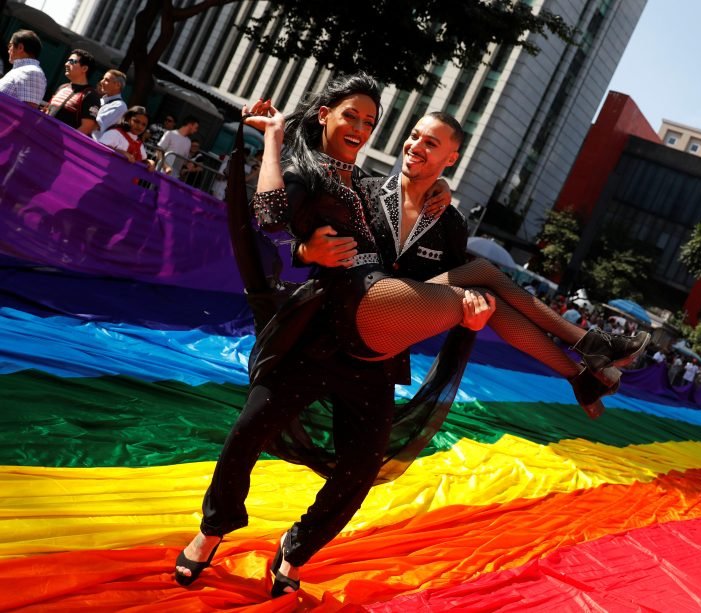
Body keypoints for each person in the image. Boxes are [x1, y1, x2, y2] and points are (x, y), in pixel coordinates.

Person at [174, 73, 648, 598]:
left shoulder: (449, 223)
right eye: (413, 135)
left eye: (429, 143)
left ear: (451, 159)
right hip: (320, 335)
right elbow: (283, 226)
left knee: (362, 468)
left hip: (378, 351)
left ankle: (296, 549)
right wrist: (305, 248)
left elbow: (441, 289)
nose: (414, 145)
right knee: (247, 431)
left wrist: (468, 318)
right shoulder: (364, 188)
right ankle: (210, 531)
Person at [44, 49, 101, 136]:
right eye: (67, 60)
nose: (66, 64)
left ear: (84, 68)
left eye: (72, 61)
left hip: (58, 143)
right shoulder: (63, 87)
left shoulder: (90, 95)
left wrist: (67, 142)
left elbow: (87, 128)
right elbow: (48, 111)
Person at [0, 30, 47, 108]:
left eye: (10, 45)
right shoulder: (21, 70)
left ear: (20, 47)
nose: (8, 50)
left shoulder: (33, 72)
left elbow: (27, 111)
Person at [98, 105, 155, 170]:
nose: (140, 126)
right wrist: (121, 153)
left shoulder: (138, 142)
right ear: (128, 119)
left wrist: (150, 162)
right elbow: (99, 148)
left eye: (144, 125)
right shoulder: (114, 133)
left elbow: (142, 160)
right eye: (136, 121)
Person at [91, 69, 128, 141]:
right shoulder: (102, 100)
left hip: (92, 144)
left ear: (117, 85)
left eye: (106, 80)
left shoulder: (119, 106)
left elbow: (94, 125)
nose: (101, 82)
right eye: (103, 79)